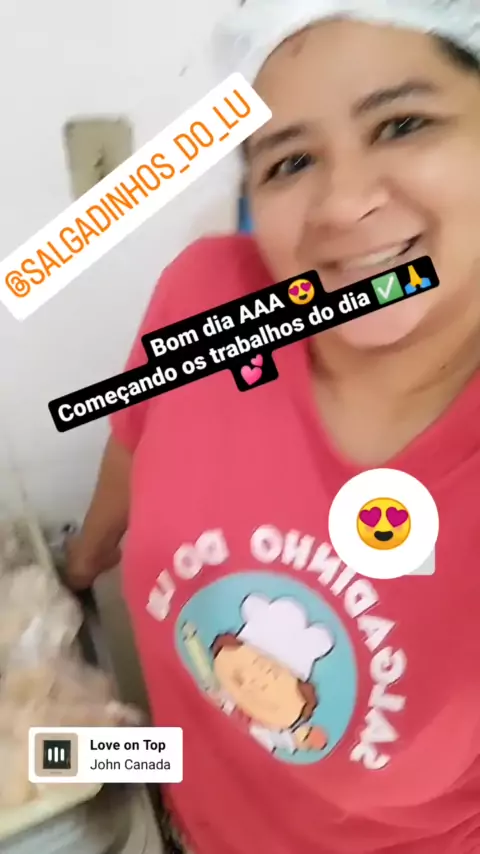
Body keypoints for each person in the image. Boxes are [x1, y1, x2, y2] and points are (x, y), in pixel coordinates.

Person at [66, 1, 480, 851]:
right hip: (174, 790)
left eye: (403, 123)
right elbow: (135, 445)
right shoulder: (211, 296)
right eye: (290, 160)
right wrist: (65, 583)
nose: (343, 204)